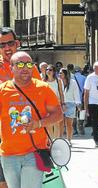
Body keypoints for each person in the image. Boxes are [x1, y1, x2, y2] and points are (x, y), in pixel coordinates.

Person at [0, 51, 63, 188]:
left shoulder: (43, 88)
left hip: (34, 152)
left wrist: (38, 124)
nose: (25, 68)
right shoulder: (3, 90)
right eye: (20, 64)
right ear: (11, 68)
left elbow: (58, 114)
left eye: (29, 64)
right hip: (8, 155)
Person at [0, 27, 41, 188]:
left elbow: (42, 101)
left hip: (30, 141)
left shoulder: (30, 68)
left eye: (10, 43)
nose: (7, 48)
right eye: (2, 45)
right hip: (4, 141)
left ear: (17, 43)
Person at [59, 68, 81, 145]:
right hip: (61, 103)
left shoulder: (73, 82)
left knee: (69, 124)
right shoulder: (58, 82)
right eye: (59, 73)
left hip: (71, 104)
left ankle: (69, 140)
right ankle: (60, 140)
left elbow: (76, 92)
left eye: (61, 73)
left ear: (65, 74)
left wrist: (78, 104)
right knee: (60, 123)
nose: (59, 74)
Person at [44, 64, 65, 139]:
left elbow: (61, 93)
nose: (48, 71)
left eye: (50, 70)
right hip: (46, 105)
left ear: (54, 72)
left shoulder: (58, 81)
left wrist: (63, 104)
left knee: (57, 123)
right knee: (49, 124)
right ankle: (51, 140)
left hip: (56, 103)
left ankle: (56, 140)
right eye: (47, 70)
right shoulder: (43, 81)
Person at [73, 66, 86, 135]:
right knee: (81, 114)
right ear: (80, 71)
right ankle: (81, 128)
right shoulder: (84, 78)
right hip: (81, 99)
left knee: (74, 115)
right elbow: (85, 89)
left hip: (74, 99)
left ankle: (75, 130)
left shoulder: (72, 78)